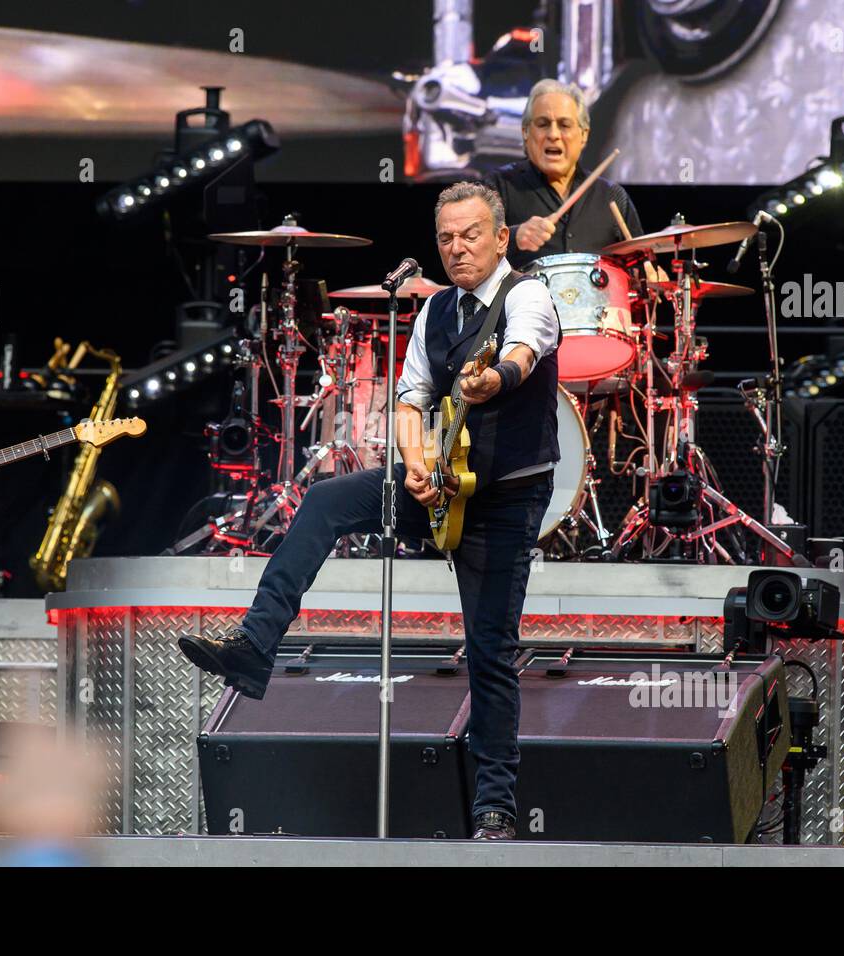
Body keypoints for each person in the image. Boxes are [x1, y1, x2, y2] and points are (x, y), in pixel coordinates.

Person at [177, 182, 560, 840]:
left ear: (501, 238)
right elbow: (411, 400)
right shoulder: (437, 309)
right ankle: (254, 647)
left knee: (490, 651)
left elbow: (522, 354)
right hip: (442, 479)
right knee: (326, 501)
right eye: (445, 237)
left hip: (504, 495)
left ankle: (495, 807)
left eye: (470, 234)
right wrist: (415, 464)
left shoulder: (526, 295)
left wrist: (490, 379)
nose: (456, 247)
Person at [485, 79, 643, 271]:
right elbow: (471, 253)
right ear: (525, 132)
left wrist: (647, 273)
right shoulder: (497, 187)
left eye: (564, 125)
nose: (553, 134)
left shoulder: (612, 196)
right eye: (543, 124)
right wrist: (514, 237)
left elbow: (639, 265)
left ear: (584, 135)